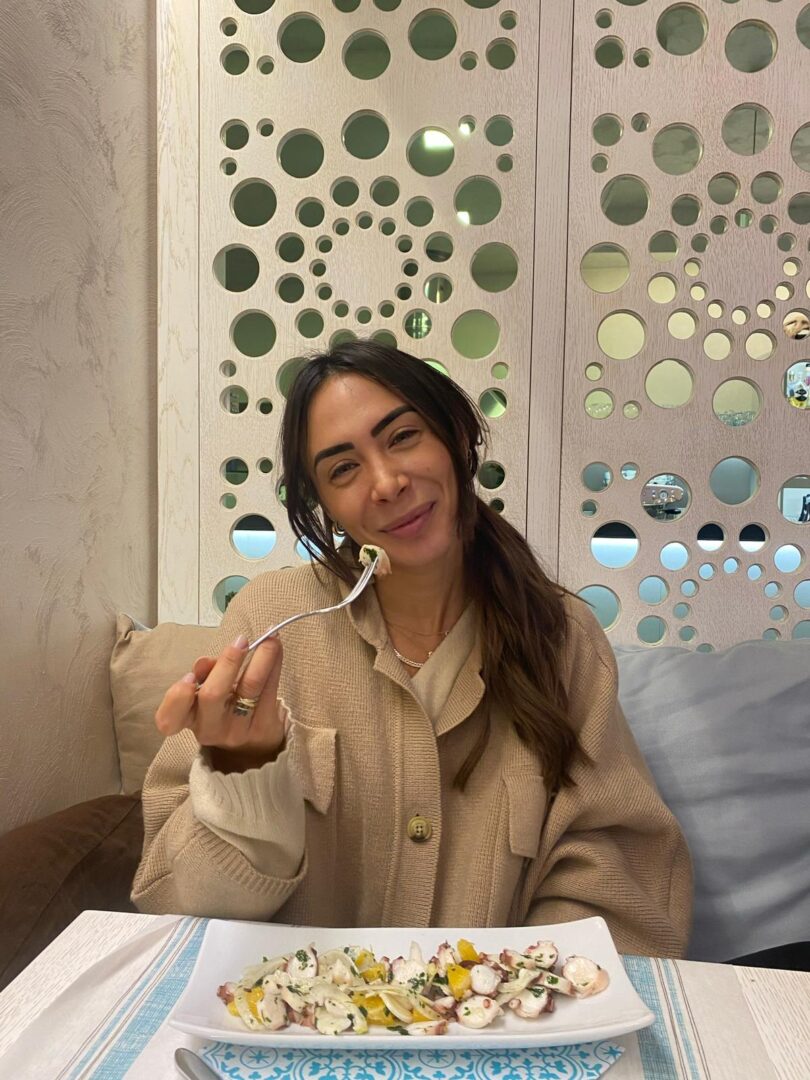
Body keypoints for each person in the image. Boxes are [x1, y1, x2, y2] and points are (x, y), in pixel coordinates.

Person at [133, 340, 692, 957]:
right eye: (343, 470)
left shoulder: (562, 636)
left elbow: (612, 871)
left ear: (457, 436)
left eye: (402, 437)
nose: (387, 483)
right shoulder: (271, 620)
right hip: (294, 1011)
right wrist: (244, 776)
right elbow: (174, 899)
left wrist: (518, 987)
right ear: (324, 505)